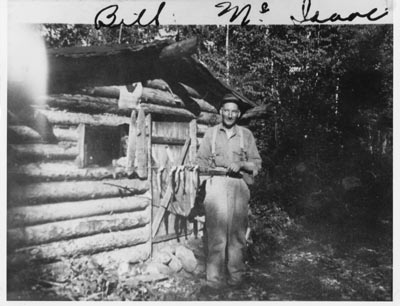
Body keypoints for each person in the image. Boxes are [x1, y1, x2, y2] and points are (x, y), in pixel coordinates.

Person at [195, 93, 262, 290]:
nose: (230, 115)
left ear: (238, 114)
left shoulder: (246, 135)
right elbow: (200, 160)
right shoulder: (211, 134)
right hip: (216, 184)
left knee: (237, 235)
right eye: (227, 111)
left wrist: (241, 163)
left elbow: (257, 164)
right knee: (216, 234)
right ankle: (214, 282)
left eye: (234, 112)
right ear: (220, 112)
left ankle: (236, 279)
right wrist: (205, 179)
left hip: (239, 185)